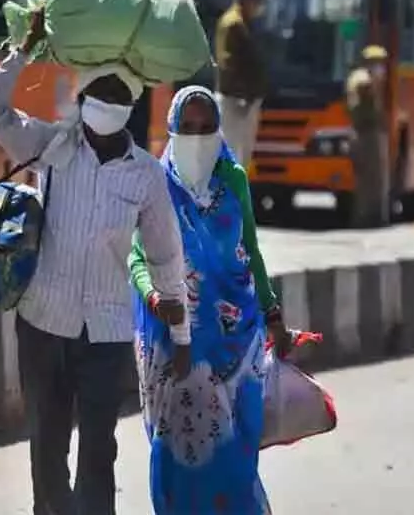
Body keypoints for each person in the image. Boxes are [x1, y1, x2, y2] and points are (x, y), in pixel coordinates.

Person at [0, 8, 188, 515]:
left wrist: (181, 338)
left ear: (130, 106)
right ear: (83, 100)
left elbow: (165, 256)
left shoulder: (145, 176)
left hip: (107, 331)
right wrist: (22, 52)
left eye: (118, 97)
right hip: (43, 320)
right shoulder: (51, 145)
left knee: (99, 448)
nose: (106, 104)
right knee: (47, 443)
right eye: (99, 95)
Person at [129, 85, 295, 515]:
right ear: (171, 128)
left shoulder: (233, 178)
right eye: (187, 127)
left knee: (234, 457)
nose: (198, 137)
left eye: (206, 127)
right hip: (172, 341)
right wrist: (153, 298)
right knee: (176, 452)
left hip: (239, 343)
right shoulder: (154, 183)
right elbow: (136, 254)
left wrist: (273, 313)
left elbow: (251, 249)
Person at [214, 0, 268, 169]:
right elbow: (229, 62)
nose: (259, 6)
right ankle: (229, 197)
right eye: (257, 0)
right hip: (235, 101)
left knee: (241, 155)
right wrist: (243, 95)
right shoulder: (234, 24)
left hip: (242, 99)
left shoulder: (244, 22)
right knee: (233, 154)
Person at [344, 45, 390, 228]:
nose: (381, 66)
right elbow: (361, 102)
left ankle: (371, 215)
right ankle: (367, 218)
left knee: (372, 179)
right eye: (378, 62)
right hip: (365, 133)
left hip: (366, 132)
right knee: (369, 180)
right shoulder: (363, 80)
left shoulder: (362, 78)